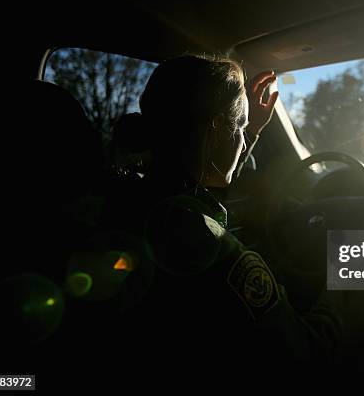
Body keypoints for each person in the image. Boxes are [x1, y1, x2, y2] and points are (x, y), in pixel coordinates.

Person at [105, 54, 343, 389]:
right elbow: (306, 356)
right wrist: (344, 289)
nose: (245, 138)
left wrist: (252, 128)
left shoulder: (128, 198)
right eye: (241, 128)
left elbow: (202, 177)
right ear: (216, 127)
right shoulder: (215, 251)